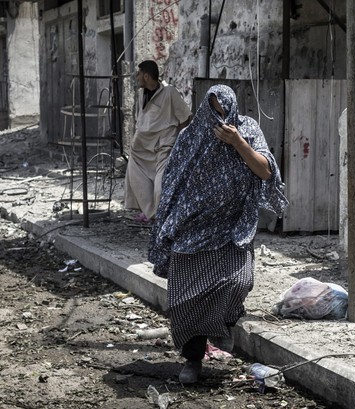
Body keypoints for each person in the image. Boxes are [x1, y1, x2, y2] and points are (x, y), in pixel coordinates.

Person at [148, 84, 288, 384]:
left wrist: (237, 142)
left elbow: (265, 171)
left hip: (233, 226)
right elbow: (173, 181)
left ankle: (220, 328)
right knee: (185, 299)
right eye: (214, 113)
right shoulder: (190, 136)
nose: (220, 119)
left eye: (225, 113)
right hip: (193, 227)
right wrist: (167, 223)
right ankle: (193, 359)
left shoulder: (247, 128)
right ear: (205, 110)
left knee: (239, 281)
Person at [123, 60, 192, 222]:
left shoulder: (169, 92)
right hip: (141, 148)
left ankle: (162, 217)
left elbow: (186, 117)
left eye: (139, 74)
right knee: (137, 179)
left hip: (164, 146)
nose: (137, 77)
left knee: (160, 186)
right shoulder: (141, 94)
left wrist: (180, 143)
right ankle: (149, 213)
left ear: (146, 76)